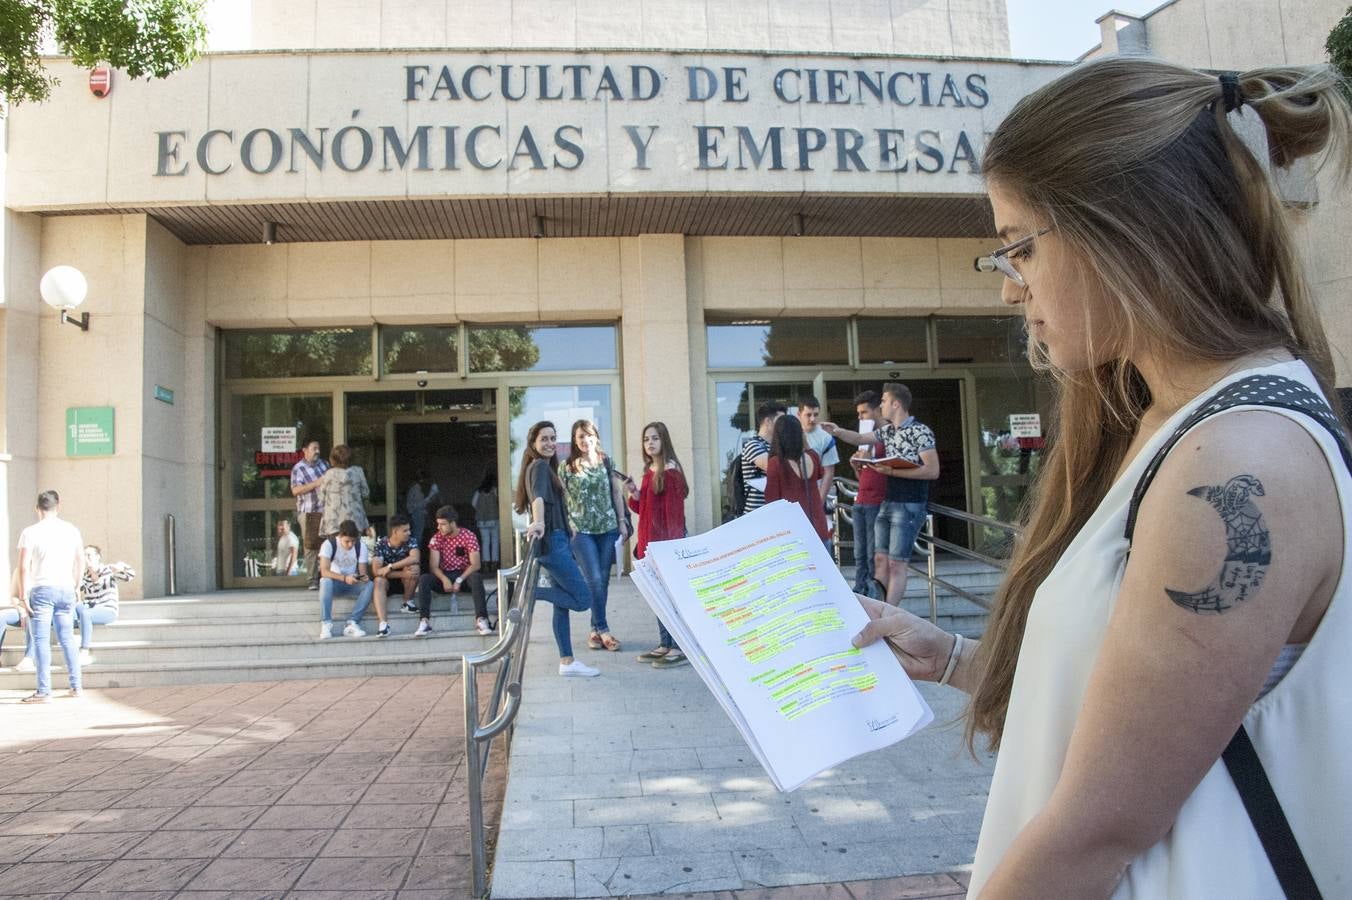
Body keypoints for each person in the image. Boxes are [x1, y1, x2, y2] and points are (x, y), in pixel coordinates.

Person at [851, 59, 1352, 897]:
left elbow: (1096, 831)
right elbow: (1143, 706)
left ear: (1127, 230)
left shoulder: (1235, 460)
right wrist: (956, 657)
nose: (1010, 290)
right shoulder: (1172, 420)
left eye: (1020, 247)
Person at [823, 382, 938, 605]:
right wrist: (836, 431)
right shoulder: (888, 431)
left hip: (910, 503)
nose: (881, 405)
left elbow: (932, 470)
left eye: (884, 401)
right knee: (879, 559)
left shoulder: (921, 431)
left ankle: (889, 611)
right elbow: (860, 439)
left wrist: (893, 471)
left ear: (896, 404)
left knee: (897, 563)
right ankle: (879, 607)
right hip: (888, 502)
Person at [514, 420, 599, 678]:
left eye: (553, 438)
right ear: (533, 443)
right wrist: (539, 522)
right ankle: (531, 593)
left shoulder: (542, 467)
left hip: (557, 538)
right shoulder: (539, 466)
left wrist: (566, 524)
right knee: (583, 599)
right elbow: (538, 498)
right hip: (554, 544)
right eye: (544, 439)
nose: (550, 443)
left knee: (561, 605)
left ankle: (567, 661)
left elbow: (548, 501)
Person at [625, 421, 690, 669]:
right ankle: (665, 643)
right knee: (657, 598)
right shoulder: (650, 471)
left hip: (663, 547)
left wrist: (668, 551)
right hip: (648, 545)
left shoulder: (671, 472)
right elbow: (642, 509)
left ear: (664, 440)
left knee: (669, 599)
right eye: (646, 439)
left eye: (654, 438)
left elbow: (674, 517)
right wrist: (634, 492)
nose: (649, 443)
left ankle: (678, 647)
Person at [560, 419, 628, 653]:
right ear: (574, 439)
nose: (585, 440)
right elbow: (561, 499)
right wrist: (567, 524)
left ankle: (594, 631)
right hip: (580, 531)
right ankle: (604, 629)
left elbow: (616, 493)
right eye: (580, 436)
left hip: (607, 528)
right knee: (594, 579)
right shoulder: (566, 466)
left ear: (596, 437)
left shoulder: (606, 461)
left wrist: (622, 522)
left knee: (603, 580)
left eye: (589, 435)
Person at [16, 490, 84, 702]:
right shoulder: (71, 530)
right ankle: (76, 686)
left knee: (41, 640)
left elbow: (23, 566)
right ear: (58, 507)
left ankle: (44, 690)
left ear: (37, 508)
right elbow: (80, 560)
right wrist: (77, 585)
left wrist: (23, 596)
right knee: (67, 638)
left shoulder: (30, 532)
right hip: (66, 588)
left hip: (42, 589)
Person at [414, 505, 492, 636]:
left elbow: (476, 564)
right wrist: (444, 579)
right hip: (444, 576)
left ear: (453, 523)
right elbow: (433, 566)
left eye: (443, 524)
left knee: (476, 578)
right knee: (424, 579)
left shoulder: (468, 536)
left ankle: (481, 619)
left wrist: (459, 580)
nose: (439, 527)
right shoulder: (437, 538)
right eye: (438, 524)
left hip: (464, 576)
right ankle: (424, 621)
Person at [764, 415, 830, 548]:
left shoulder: (776, 463)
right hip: (819, 529)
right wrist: (804, 441)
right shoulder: (813, 457)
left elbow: (771, 502)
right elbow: (820, 473)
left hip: (794, 533)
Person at [847, 390, 886, 598]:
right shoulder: (865, 439)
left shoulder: (887, 437)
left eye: (864, 413)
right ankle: (860, 589)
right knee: (859, 552)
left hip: (877, 501)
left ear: (876, 410)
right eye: (858, 414)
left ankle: (872, 592)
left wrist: (870, 459)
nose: (860, 418)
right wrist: (857, 465)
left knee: (872, 552)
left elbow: (889, 471)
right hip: (861, 499)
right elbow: (864, 476)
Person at [75, 546, 134, 666]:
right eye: (84, 556)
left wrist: (120, 568)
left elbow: (130, 575)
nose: (86, 558)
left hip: (107, 610)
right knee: (72, 609)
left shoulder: (108, 570)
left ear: (98, 557)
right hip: (90, 609)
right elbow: (73, 590)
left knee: (85, 614)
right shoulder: (84, 576)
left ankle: (84, 650)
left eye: (89, 555)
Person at [316, 519, 374, 639]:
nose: (350, 545)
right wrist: (344, 578)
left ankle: (352, 623)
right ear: (340, 536)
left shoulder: (361, 546)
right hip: (334, 583)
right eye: (347, 541)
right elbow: (324, 571)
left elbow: (362, 573)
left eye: (353, 541)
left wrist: (363, 577)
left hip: (351, 582)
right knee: (325, 581)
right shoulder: (329, 544)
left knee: (369, 585)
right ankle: (326, 623)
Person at [371, 514, 420, 638]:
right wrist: (402, 573)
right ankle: (383, 624)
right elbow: (376, 571)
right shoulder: (381, 544)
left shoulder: (411, 541)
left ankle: (407, 602)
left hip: (404, 582)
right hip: (388, 582)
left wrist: (390, 567)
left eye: (409, 530)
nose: (409, 533)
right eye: (405, 530)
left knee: (414, 567)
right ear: (395, 532)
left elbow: (415, 558)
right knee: (378, 580)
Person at [290, 438, 329, 590]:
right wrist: (316, 483)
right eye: (314, 448)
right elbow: (295, 490)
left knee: (327, 545)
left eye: (318, 448)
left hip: (326, 511)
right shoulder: (298, 468)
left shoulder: (324, 464)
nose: (317, 451)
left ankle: (326, 577)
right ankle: (312, 580)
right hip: (308, 511)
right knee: (311, 547)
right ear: (305, 450)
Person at [738, 401, 786, 515]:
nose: (784, 426)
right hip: (756, 513)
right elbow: (774, 468)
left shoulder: (780, 446)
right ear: (768, 421)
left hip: (775, 512)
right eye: (781, 421)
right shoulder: (753, 445)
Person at [317, 444, 370, 540]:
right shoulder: (358, 472)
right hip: (355, 519)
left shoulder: (329, 474)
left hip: (333, 520)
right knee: (354, 546)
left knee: (335, 547)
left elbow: (321, 497)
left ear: (333, 459)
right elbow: (365, 492)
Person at [796, 397, 839, 508]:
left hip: (815, 492)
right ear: (799, 414)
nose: (812, 419)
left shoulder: (826, 438)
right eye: (808, 415)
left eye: (815, 415)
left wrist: (819, 501)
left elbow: (828, 473)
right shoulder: (789, 434)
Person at [471, 468, 500, 574]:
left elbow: (473, 503)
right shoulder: (495, 490)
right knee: (495, 541)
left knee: (485, 542)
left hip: (482, 520)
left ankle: (486, 563)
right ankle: (494, 563)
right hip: (494, 519)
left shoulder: (478, 491)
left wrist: (480, 510)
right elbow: (500, 502)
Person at [405, 471, 441, 546]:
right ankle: (415, 551)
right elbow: (419, 505)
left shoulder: (415, 488)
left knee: (418, 534)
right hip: (417, 514)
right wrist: (430, 496)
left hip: (417, 513)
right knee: (418, 534)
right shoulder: (416, 488)